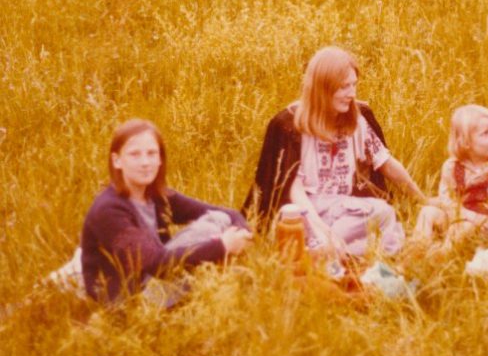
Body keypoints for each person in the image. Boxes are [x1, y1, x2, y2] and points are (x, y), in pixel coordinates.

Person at [241, 46, 425, 257]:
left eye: (354, 85)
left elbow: (386, 164)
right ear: (323, 88)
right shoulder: (294, 126)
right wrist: (322, 230)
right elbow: (295, 190)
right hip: (309, 210)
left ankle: (327, 252)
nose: (352, 94)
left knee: (383, 212)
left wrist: (422, 199)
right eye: (344, 87)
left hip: (344, 211)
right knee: (289, 218)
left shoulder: (356, 121)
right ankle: (338, 249)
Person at [81, 119, 252, 303]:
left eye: (151, 153)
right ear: (117, 160)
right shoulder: (109, 210)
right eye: (134, 154)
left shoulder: (156, 195)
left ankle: (218, 285)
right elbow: (157, 264)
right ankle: (211, 286)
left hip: (156, 279)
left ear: (160, 159)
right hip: (128, 299)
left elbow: (229, 213)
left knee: (218, 219)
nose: (145, 162)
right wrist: (222, 246)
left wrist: (240, 233)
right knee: (209, 231)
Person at [413, 105, 488, 251]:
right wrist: (460, 216)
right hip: (456, 219)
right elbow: (446, 199)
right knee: (428, 212)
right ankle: (416, 251)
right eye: (485, 133)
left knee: (467, 223)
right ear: (465, 142)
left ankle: (441, 257)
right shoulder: (452, 167)